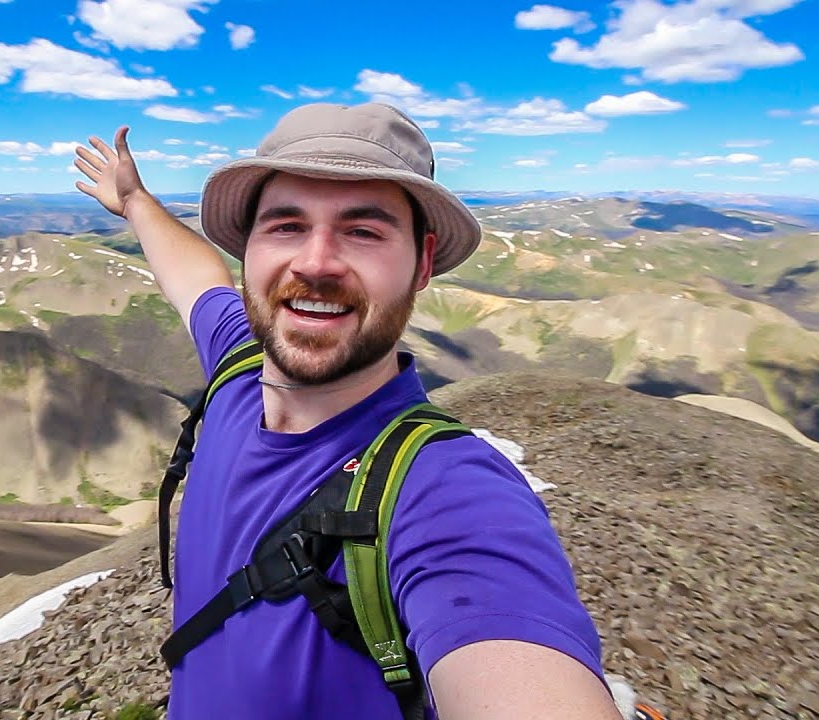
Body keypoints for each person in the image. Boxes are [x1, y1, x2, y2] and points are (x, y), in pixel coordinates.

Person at [74, 102, 621, 720]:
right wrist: (136, 202)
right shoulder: (237, 367)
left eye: (363, 231)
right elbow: (196, 278)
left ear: (424, 263)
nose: (314, 262)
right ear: (248, 251)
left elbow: (511, 655)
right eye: (284, 225)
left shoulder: (446, 492)